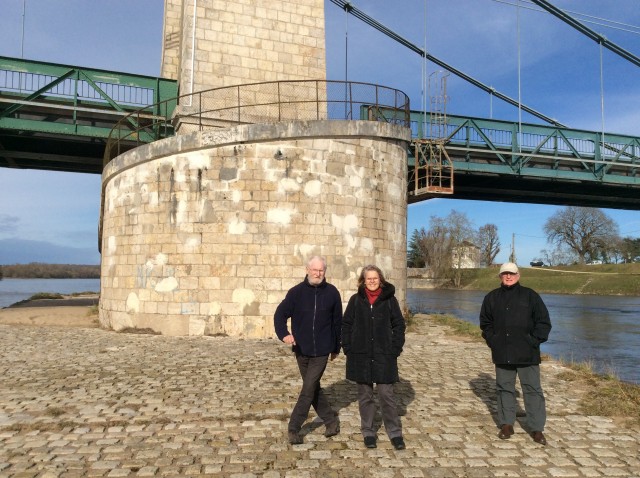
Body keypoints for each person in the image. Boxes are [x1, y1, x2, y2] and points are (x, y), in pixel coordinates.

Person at [479, 262, 552, 445]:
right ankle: (506, 424)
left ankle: (536, 428)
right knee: (504, 389)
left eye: (511, 274)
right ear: (500, 277)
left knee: (532, 390)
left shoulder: (530, 296)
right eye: (505, 274)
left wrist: (533, 341)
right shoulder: (491, 297)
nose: (508, 277)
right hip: (502, 352)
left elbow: (543, 322)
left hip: (527, 353)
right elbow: (485, 324)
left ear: (518, 275)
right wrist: (493, 341)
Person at [274, 255, 343, 445]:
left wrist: (337, 346)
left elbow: (338, 323)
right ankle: (331, 422)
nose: (317, 273)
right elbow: (280, 314)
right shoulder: (296, 293)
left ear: (325, 272)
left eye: (321, 270)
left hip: (322, 350)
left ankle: (294, 428)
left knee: (307, 389)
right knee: (313, 388)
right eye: (314, 269)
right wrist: (284, 334)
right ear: (307, 270)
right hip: (301, 349)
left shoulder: (332, 293)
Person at [341, 265, 406, 450]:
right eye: (368, 278)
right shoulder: (355, 300)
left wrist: (395, 348)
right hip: (360, 355)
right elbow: (346, 325)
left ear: (381, 280)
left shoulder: (389, 300)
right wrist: (348, 348)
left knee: (387, 395)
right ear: (363, 281)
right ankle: (368, 431)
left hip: (384, 355)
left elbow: (399, 325)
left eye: (375, 278)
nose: (372, 281)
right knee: (365, 396)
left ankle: (395, 432)